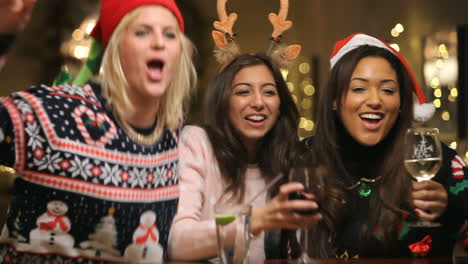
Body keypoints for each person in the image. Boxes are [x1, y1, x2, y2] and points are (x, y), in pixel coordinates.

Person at [0, 0, 197, 262]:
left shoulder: (178, 141)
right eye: (142, 32)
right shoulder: (54, 113)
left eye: (170, 34)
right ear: (114, 48)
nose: (159, 43)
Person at [302, 33, 468, 259]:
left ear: (401, 103)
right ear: (334, 99)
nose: (375, 100)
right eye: (359, 88)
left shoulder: (433, 157)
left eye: (388, 90)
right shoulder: (303, 158)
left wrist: (451, 210)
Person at [167, 53, 322, 262]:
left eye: (268, 92)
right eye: (243, 92)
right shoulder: (198, 143)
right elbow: (178, 243)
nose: (258, 102)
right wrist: (254, 221)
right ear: (224, 100)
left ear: (280, 105)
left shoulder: (288, 161)